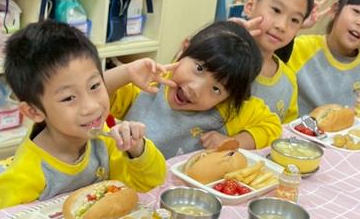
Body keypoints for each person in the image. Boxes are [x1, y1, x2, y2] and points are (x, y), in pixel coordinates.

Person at [0, 21, 166, 213]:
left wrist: (137, 149)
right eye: (69, 98)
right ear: (34, 111)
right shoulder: (22, 177)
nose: (91, 107)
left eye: (94, 86)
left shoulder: (103, 140)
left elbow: (149, 183)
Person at [107, 21, 280, 157]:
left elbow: (271, 125)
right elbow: (97, 97)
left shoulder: (226, 109)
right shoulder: (149, 86)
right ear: (185, 48)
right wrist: (126, 72)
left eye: (216, 89)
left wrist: (233, 142)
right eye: (199, 68)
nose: (196, 89)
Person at [241, 0, 315, 123]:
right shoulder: (221, 58)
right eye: (276, 10)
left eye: (294, 20)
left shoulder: (288, 81)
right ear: (250, 5)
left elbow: (284, 131)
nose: (282, 26)